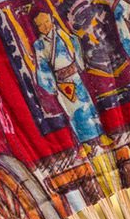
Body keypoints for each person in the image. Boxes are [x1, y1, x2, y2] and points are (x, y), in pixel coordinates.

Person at [30, 10, 110, 163]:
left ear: (52, 19)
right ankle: (83, 145)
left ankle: (101, 137)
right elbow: (41, 67)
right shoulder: (39, 45)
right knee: (72, 114)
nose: (45, 26)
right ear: (37, 27)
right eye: (40, 25)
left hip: (74, 77)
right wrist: (51, 85)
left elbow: (75, 44)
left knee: (88, 106)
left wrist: (78, 63)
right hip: (61, 83)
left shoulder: (63, 34)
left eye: (46, 21)